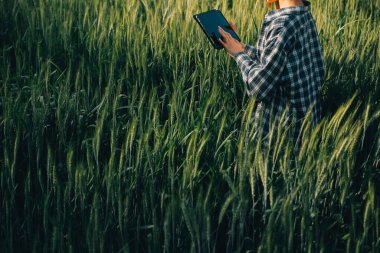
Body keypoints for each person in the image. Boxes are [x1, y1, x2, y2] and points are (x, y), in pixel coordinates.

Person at [218, 0, 325, 150]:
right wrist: (242, 48)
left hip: (278, 140)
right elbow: (276, 64)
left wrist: (239, 55)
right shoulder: (303, 15)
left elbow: (259, 87)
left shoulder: (282, 25)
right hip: (303, 133)